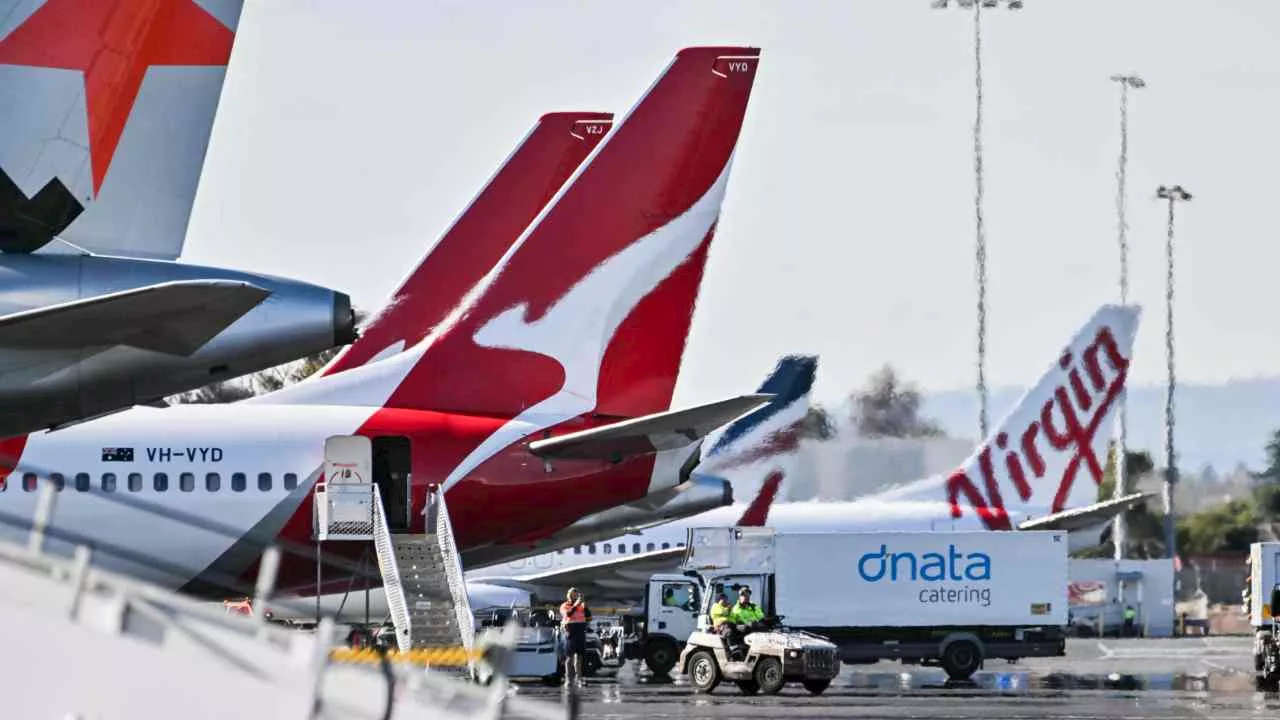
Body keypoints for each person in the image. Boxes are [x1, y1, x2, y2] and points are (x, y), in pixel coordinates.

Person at [560, 587, 592, 688]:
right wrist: (576, 604)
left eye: (576, 594)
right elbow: (568, 614)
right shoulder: (565, 605)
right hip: (571, 632)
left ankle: (579, 679)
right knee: (569, 656)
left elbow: (589, 617)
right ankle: (568, 679)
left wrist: (585, 607)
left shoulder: (581, 606)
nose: (575, 596)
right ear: (569, 595)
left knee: (579, 656)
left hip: (580, 631)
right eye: (573, 594)